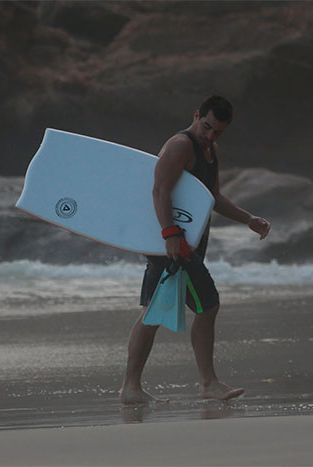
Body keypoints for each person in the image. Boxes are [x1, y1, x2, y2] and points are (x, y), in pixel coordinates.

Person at [120, 95, 271, 404]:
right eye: (207, 127)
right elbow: (160, 189)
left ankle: (131, 388)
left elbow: (212, 196)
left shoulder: (210, 151)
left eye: (218, 132)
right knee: (207, 305)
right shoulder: (180, 145)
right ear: (196, 115)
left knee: (153, 313)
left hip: (182, 245)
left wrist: (248, 219)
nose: (211, 135)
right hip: (175, 247)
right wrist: (171, 236)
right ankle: (207, 383)